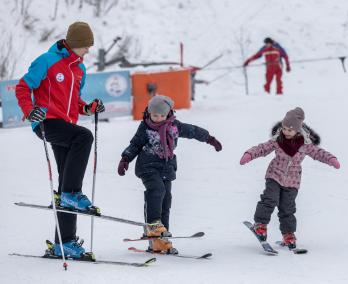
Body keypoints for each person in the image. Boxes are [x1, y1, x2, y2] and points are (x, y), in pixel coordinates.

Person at [15, 21, 105, 258]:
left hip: (66, 126)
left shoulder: (79, 69)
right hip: (46, 122)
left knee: (66, 183)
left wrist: (87, 108)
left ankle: (63, 244)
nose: (88, 50)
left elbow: (74, 100)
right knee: (85, 137)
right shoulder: (47, 61)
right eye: (86, 46)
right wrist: (29, 110)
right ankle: (72, 193)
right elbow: (23, 87)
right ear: (75, 43)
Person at [117, 95, 222, 254]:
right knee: (157, 190)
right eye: (154, 115)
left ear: (168, 114)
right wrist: (125, 158)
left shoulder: (175, 126)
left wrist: (209, 138)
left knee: (166, 199)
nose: (158, 119)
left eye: (161, 115)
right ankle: (153, 226)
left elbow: (193, 131)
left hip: (166, 167)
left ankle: (160, 240)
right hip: (147, 166)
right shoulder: (145, 127)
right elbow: (135, 144)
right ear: (148, 113)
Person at [239, 107, 340, 249]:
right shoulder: (277, 140)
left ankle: (288, 235)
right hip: (274, 175)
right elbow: (262, 148)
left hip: (292, 181)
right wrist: (249, 155)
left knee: (287, 209)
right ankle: (260, 225)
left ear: (297, 130)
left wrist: (331, 160)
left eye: (289, 130)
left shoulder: (305, 145)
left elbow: (319, 153)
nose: (286, 131)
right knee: (270, 199)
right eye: (284, 128)